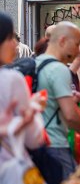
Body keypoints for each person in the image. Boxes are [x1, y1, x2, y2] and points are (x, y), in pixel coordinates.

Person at [35, 21, 80, 180]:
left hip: (38, 143)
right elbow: (70, 116)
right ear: (63, 41)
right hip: (55, 145)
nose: (78, 49)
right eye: (77, 44)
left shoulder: (37, 63)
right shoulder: (59, 69)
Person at [0, 12, 45, 173]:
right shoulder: (11, 80)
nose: (15, 44)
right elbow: (34, 139)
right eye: (10, 38)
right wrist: (33, 108)